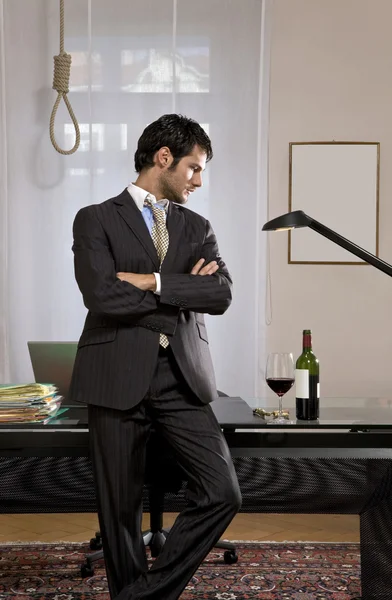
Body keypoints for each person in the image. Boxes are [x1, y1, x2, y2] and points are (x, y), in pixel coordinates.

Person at [69, 114, 241, 600]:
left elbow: (222, 294)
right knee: (120, 515)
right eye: (194, 168)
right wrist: (185, 292)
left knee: (222, 492)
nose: (199, 180)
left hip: (183, 379)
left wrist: (152, 282)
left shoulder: (197, 225)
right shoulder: (96, 218)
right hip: (114, 375)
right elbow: (102, 297)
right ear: (163, 158)